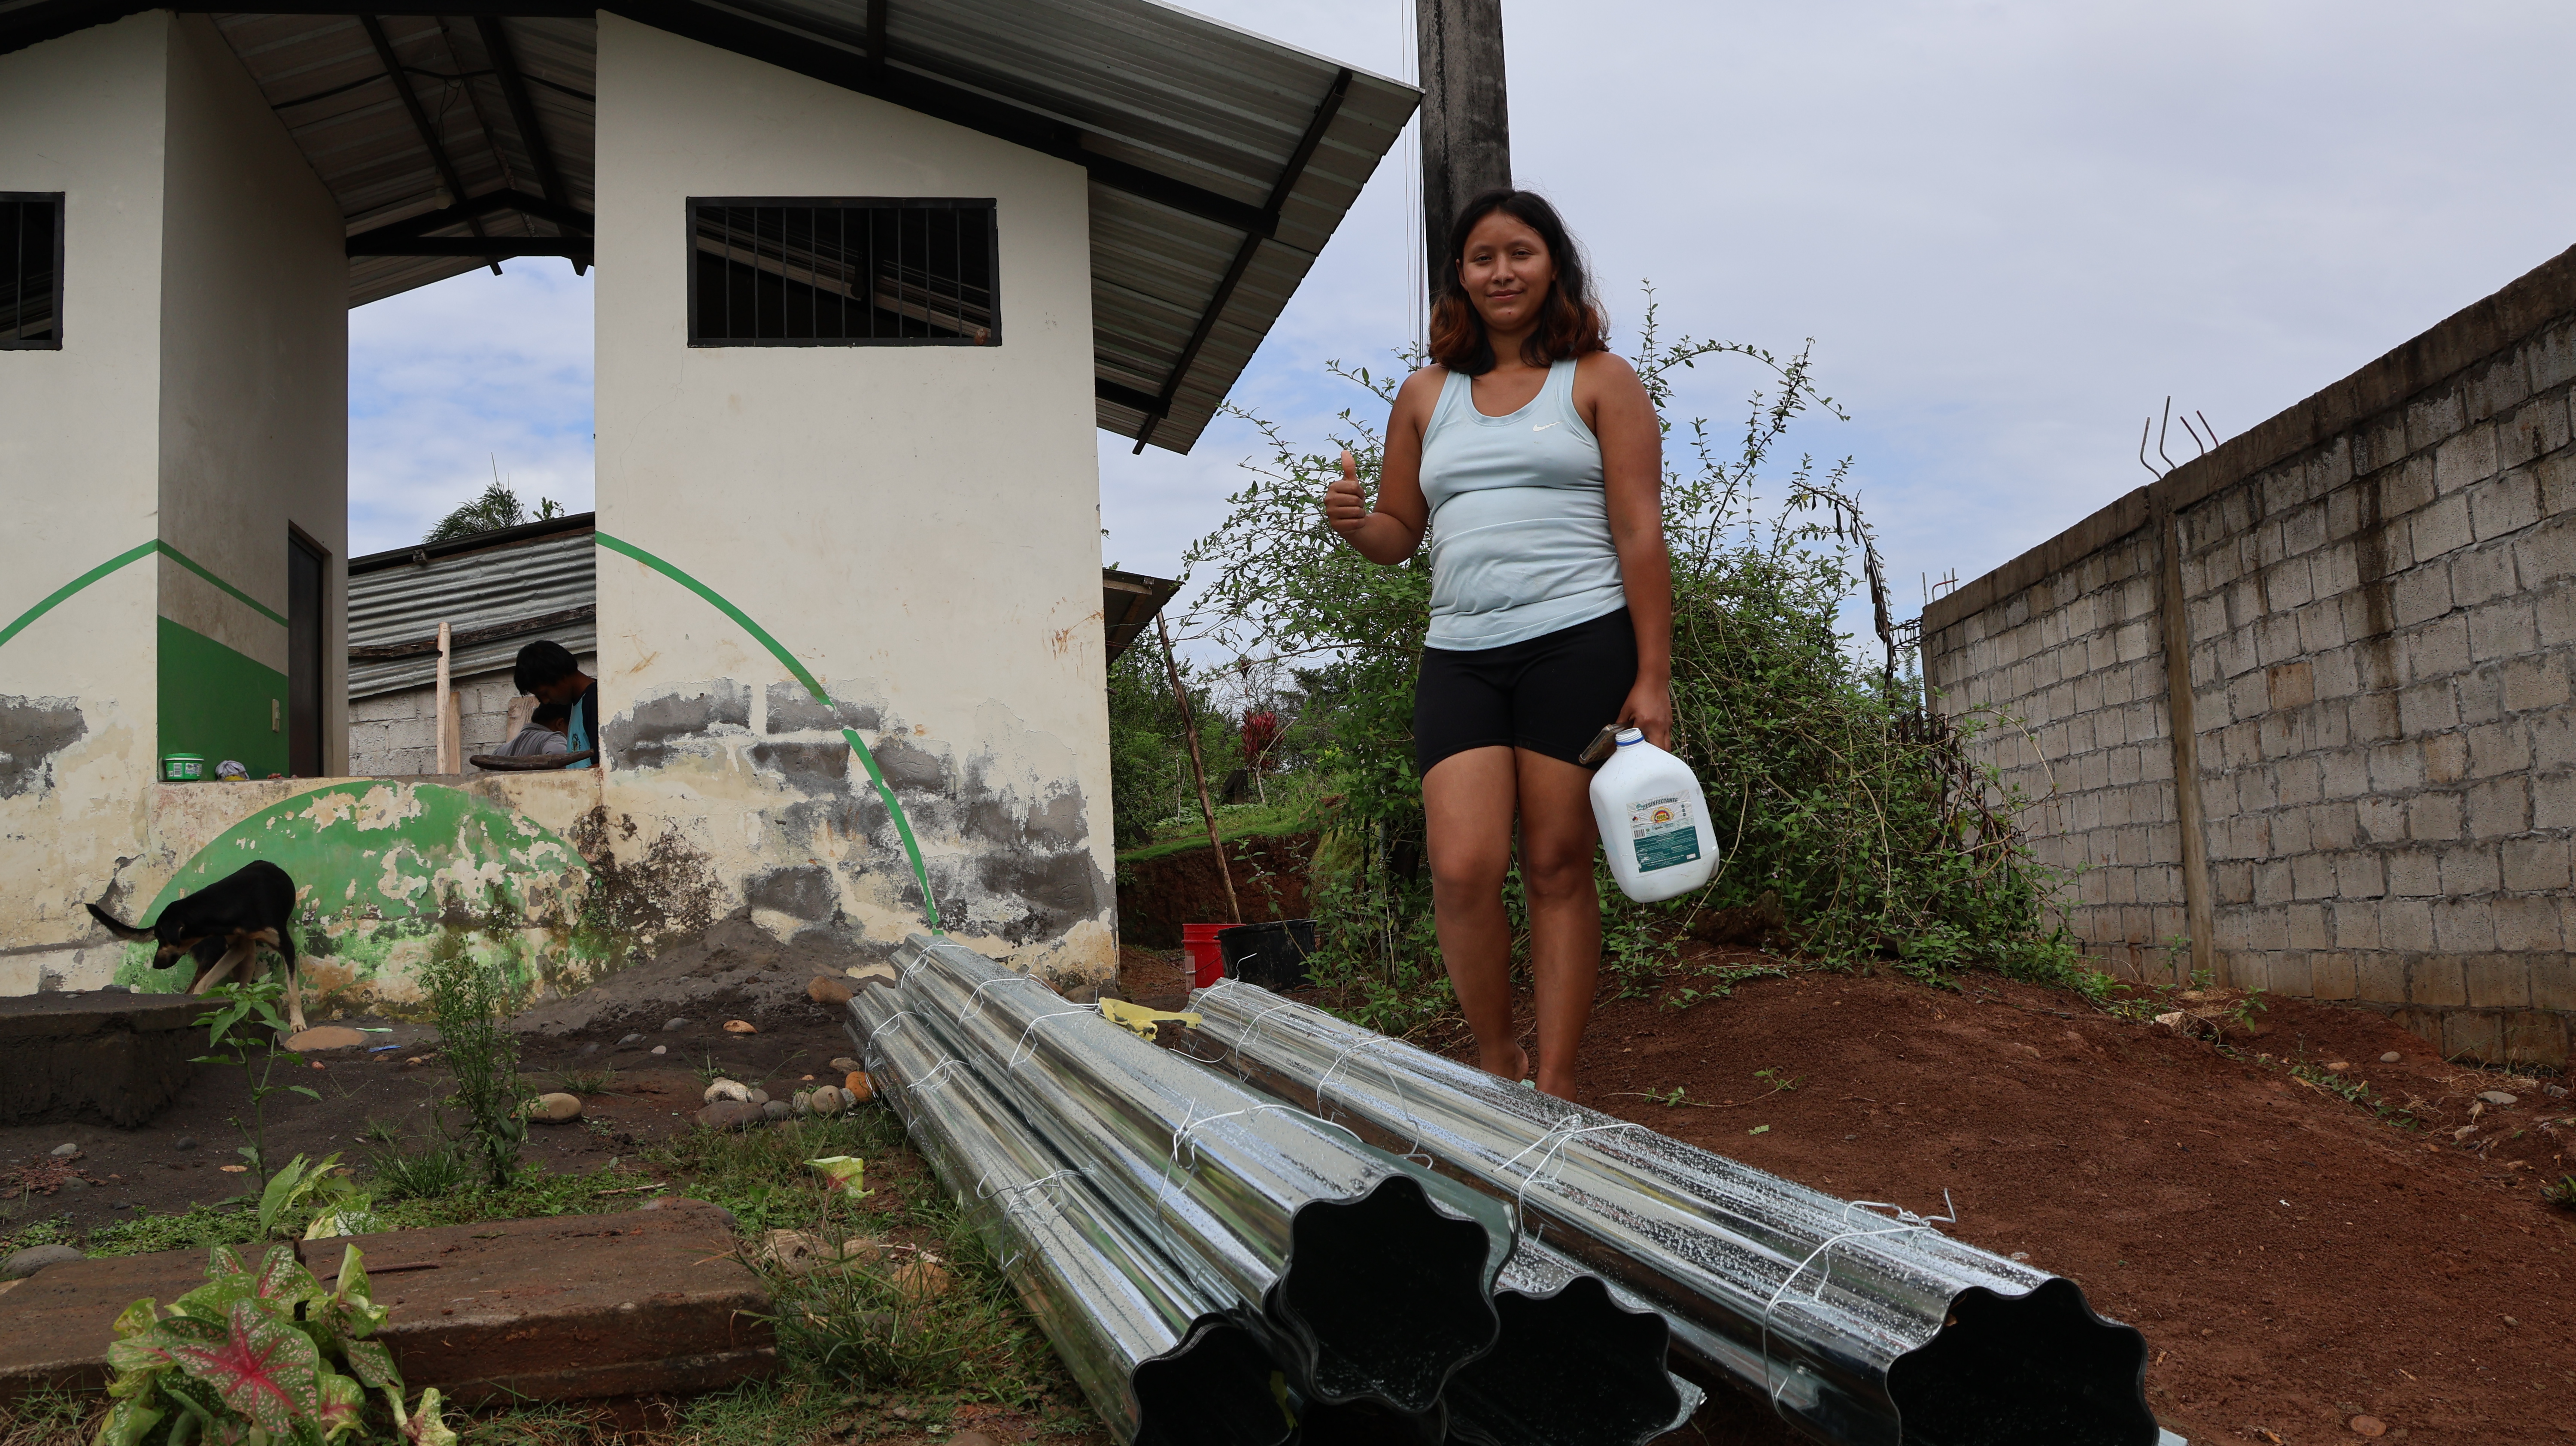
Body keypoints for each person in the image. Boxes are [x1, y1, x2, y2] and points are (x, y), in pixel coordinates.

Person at [1321, 189, 1671, 1100]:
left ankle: (1556, 1082)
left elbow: (1639, 530)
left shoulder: (1601, 380)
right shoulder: (1424, 395)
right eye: (1483, 258)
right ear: (1460, 277)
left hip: (1579, 643)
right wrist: (1355, 524)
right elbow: (1400, 533)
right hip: (1462, 654)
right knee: (1462, 867)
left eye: (1521, 253)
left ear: (1554, 265)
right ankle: (1496, 1059)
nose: (1503, 271)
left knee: (1556, 863)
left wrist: (1653, 675)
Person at [511, 641, 601, 769]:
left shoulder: (595, 701)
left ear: (561, 677)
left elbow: (604, 767)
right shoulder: (575, 704)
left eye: (545, 693)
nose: (545, 701)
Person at [496, 701, 572, 758]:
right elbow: (559, 760)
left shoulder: (499, 752)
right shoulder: (554, 739)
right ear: (560, 724)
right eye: (570, 728)